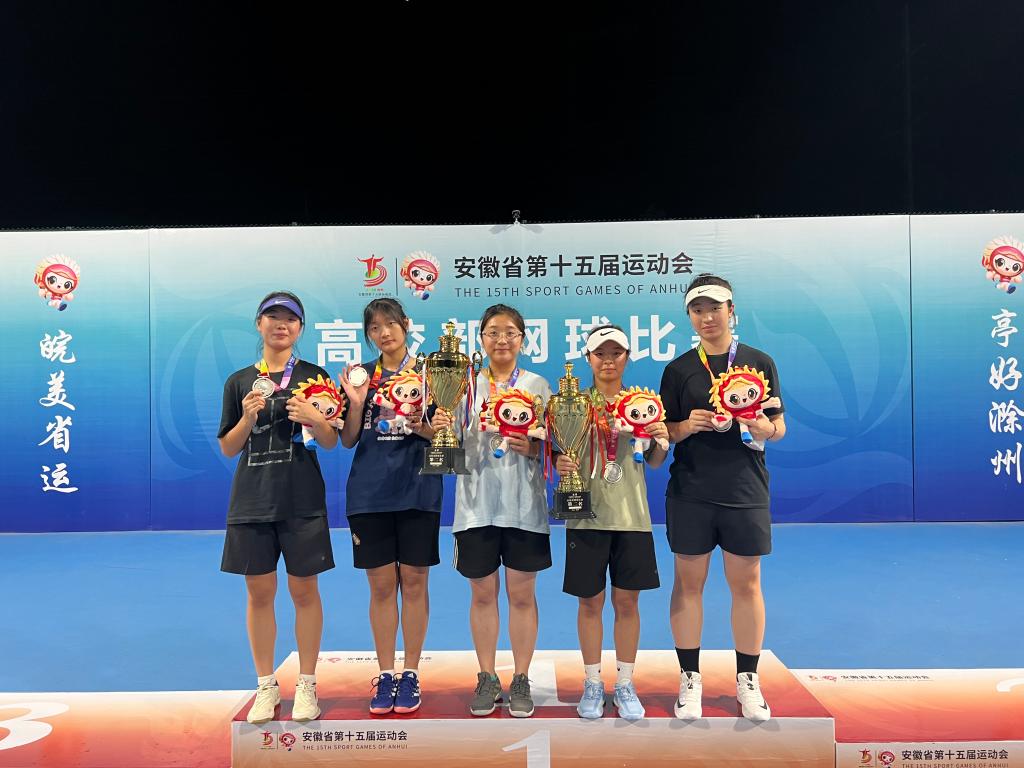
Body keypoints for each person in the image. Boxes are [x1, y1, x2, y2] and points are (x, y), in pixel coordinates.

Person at [659, 273, 786, 722]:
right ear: (689, 316)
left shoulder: (759, 362)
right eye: (697, 310)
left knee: (746, 584)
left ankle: (748, 679)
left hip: (744, 490)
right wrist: (685, 426)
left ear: (732, 311)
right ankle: (689, 678)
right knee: (688, 584)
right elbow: (662, 431)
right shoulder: (678, 370)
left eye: (714, 308)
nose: (706, 317)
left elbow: (778, 426)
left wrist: (762, 426)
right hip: (691, 491)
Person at [218, 291, 339, 725]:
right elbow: (228, 447)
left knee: (305, 592)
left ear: (300, 328)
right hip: (251, 500)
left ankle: (307, 684)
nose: (281, 325)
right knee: (259, 593)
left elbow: (330, 441)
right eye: (272, 317)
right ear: (259, 324)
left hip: (301, 499)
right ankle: (266, 685)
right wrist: (247, 419)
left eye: (290, 319)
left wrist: (314, 416)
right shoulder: (238, 382)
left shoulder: (315, 377)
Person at [431, 304, 552, 718]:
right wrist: (439, 424)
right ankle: (486, 676)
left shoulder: (538, 385)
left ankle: (521, 677)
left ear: (522, 339)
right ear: (481, 338)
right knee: (482, 594)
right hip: (475, 506)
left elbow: (554, 448)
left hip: (524, 507)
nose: (502, 339)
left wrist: (532, 448)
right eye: (493, 332)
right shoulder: (462, 383)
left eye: (510, 332)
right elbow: (446, 439)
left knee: (522, 595)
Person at [555, 324, 667, 721]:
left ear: (627, 357)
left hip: (631, 517)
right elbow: (557, 452)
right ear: (588, 358)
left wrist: (661, 439)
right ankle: (591, 682)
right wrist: (559, 461)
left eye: (616, 353)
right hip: (585, 516)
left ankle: (624, 683)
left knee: (627, 602)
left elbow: (654, 462)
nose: (608, 360)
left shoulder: (643, 403)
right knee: (590, 602)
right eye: (600, 353)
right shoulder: (570, 404)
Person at [339, 298, 440, 715]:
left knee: (414, 583)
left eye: (391, 324)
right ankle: (384, 673)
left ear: (406, 325)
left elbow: (442, 435)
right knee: (381, 587)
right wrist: (357, 400)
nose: (384, 333)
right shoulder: (360, 377)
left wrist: (421, 425)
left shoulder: (433, 375)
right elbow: (347, 439)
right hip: (369, 494)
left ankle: (411, 671)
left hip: (418, 490)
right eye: (375, 327)